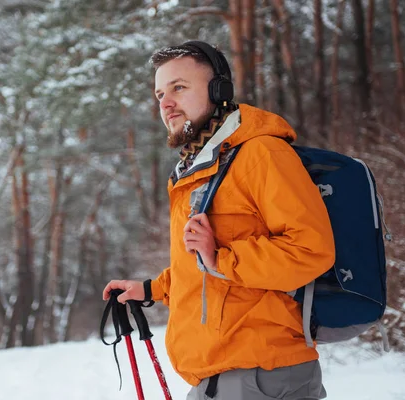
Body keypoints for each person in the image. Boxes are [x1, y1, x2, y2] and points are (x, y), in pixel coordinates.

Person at [102, 41, 335, 400]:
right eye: (160, 93)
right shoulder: (197, 170)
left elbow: (311, 250)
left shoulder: (262, 154)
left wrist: (219, 258)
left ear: (219, 91)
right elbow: (203, 267)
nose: (165, 103)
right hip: (215, 380)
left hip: (265, 377)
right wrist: (151, 289)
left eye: (179, 87)